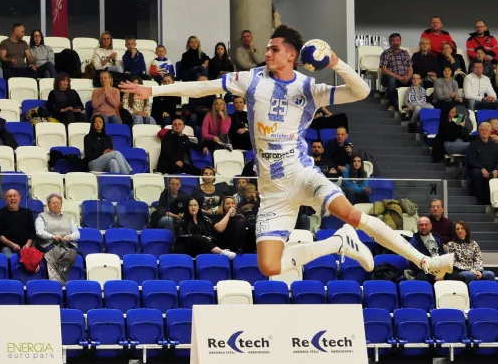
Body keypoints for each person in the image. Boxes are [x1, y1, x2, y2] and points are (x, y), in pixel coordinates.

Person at [121, 24, 454, 279]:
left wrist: (335, 61)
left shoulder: (307, 87)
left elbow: (362, 91)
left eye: (274, 49)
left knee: (353, 215)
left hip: (302, 174)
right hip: (271, 190)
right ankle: (338, 244)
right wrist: (151, 88)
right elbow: (203, 87)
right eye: (267, 48)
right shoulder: (251, 79)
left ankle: (424, 261)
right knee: (269, 268)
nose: (268, 53)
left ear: (292, 55)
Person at [34, 193, 80, 282]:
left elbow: (77, 233)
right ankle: (57, 280)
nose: (56, 205)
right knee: (57, 253)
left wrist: (69, 237)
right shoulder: (41, 217)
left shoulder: (68, 217)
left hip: (66, 243)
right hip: (49, 243)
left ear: (61, 204)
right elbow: (39, 232)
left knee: (79, 253)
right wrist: (52, 236)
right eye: (53, 203)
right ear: (48, 205)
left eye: (58, 203)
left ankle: (71, 278)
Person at [0, 188, 36, 258]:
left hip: (26, 246)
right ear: (5, 199)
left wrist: (28, 244)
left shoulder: (27, 212)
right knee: (10, 258)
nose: (12, 198)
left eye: (14, 196)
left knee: (32, 260)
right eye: (10, 196)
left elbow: (32, 232)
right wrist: (12, 245)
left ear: (19, 198)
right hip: (7, 246)